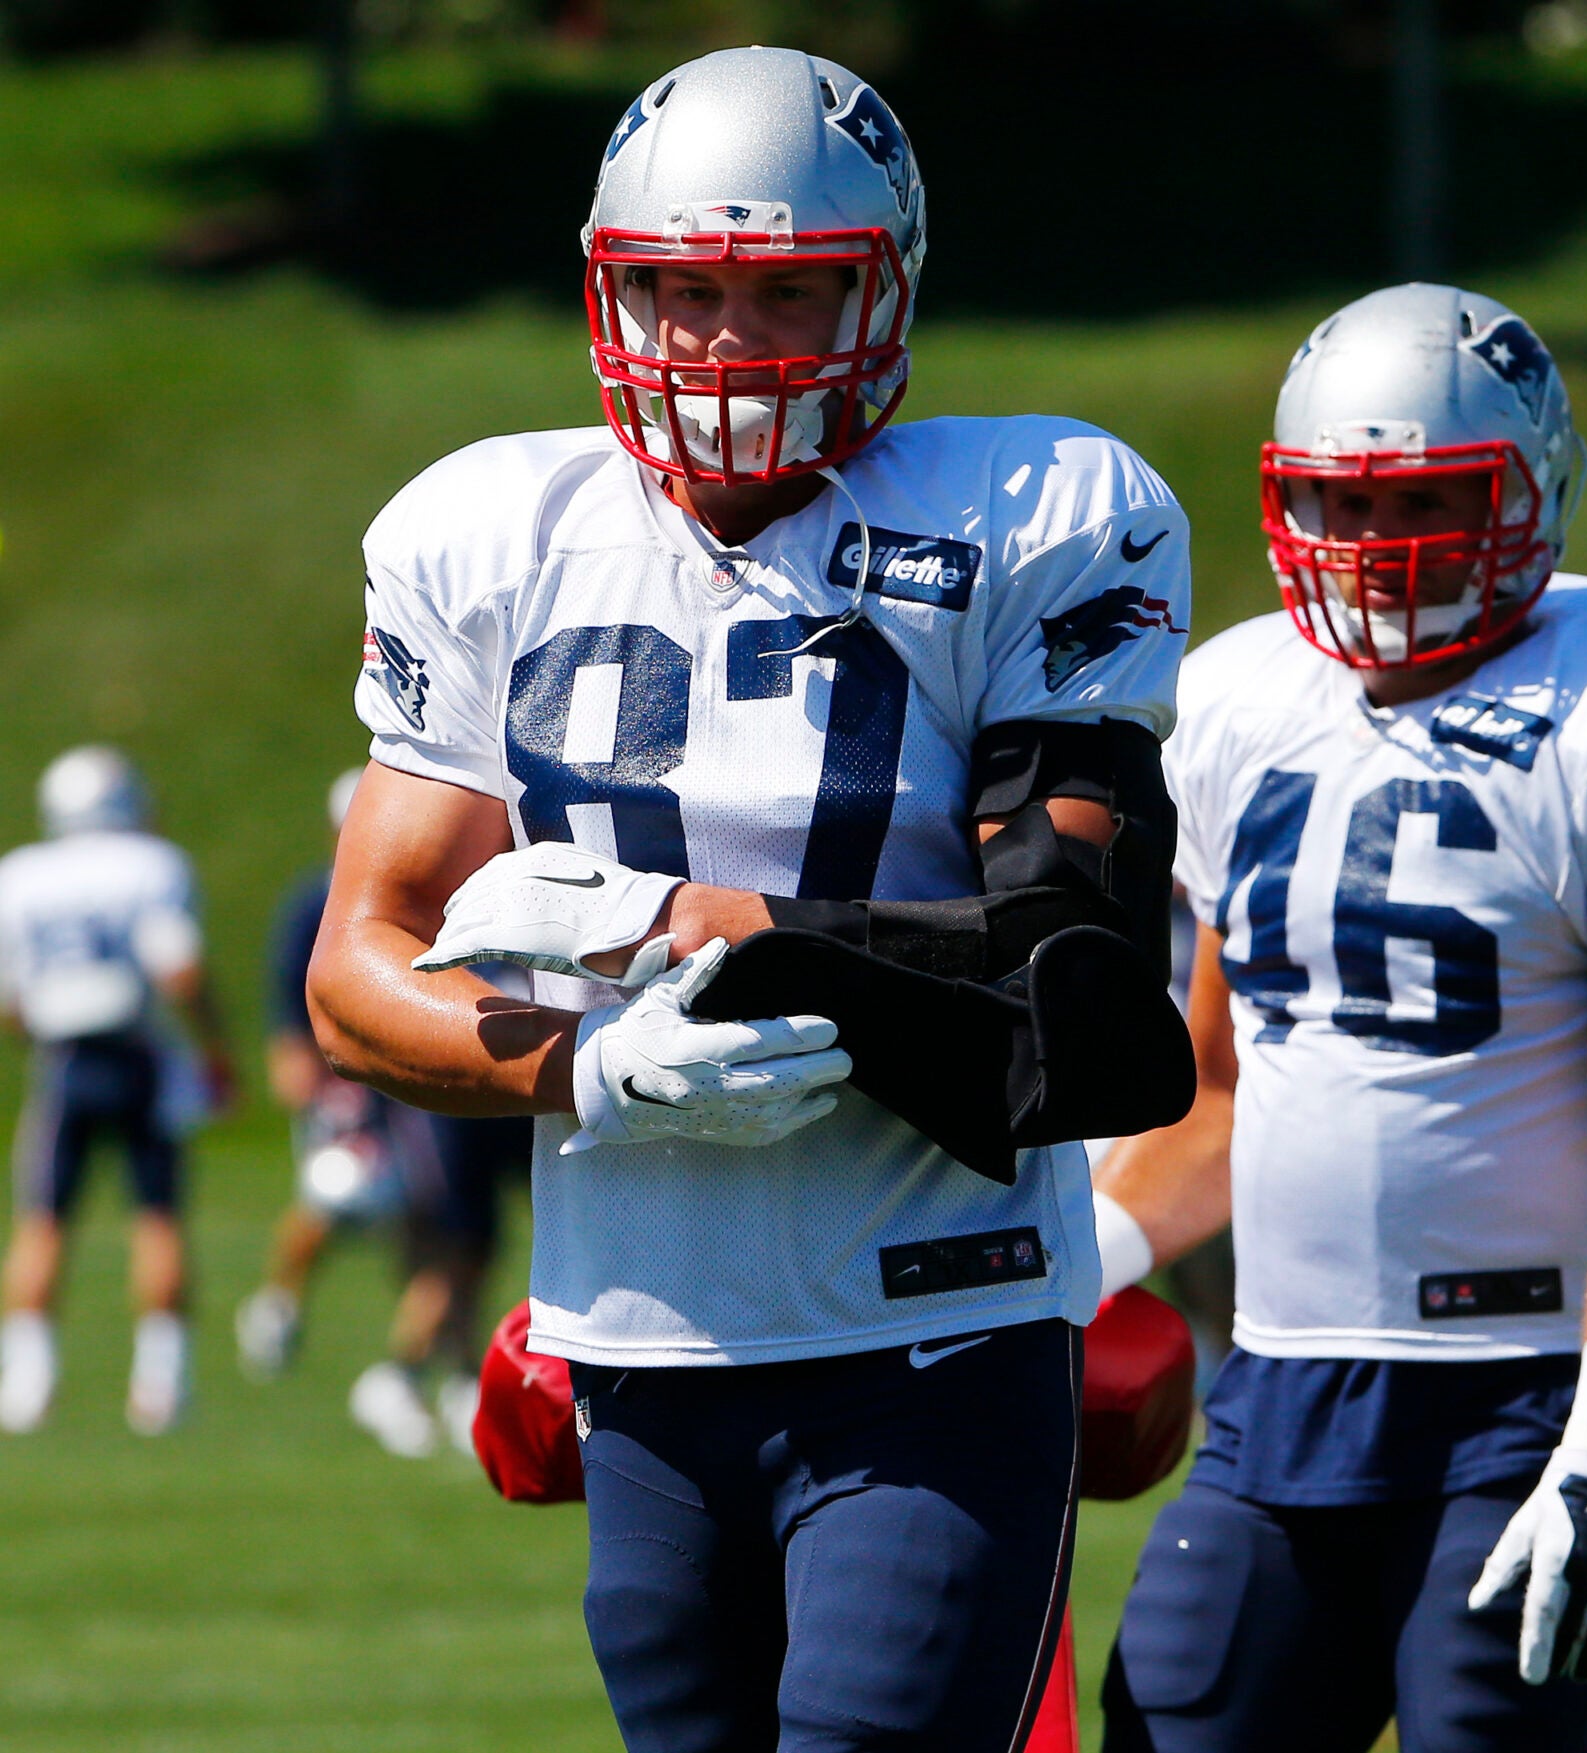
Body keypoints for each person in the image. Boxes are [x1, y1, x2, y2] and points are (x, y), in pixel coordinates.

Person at [304, 46, 1190, 1750]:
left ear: (890, 286)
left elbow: (1074, 1013)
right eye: (684, 289)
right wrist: (584, 1070)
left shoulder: (1034, 513)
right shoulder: (487, 529)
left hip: (937, 1325)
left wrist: (709, 937)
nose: (728, 341)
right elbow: (361, 969)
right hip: (641, 1348)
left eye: (789, 286)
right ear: (607, 288)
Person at [1088, 283, 1587, 1751]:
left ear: (1535, 494)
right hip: (1279, 1384)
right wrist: (1059, 1279)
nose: (1377, 551)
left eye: (1429, 504)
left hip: (1526, 1396)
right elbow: (1211, 1094)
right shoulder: (1234, 699)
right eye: (1339, 505)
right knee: (1169, 1719)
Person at [236, 769, 533, 1458]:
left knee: (471, 1238)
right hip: (416, 1084)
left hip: (493, 1077)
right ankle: (387, 1360)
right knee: (412, 1222)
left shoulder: (471, 875)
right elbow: (320, 995)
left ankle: (455, 1373)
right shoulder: (329, 898)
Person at [0, 746, 232, 1436]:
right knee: (157, 1214)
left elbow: (9, 998)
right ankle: (160, 1384)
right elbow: (181, 969)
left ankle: (29, 1379)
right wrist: (215, 1050)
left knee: (43, 1218)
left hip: (65, 1057)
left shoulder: (22, 874)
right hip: (138, 1053)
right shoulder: (152, 865)